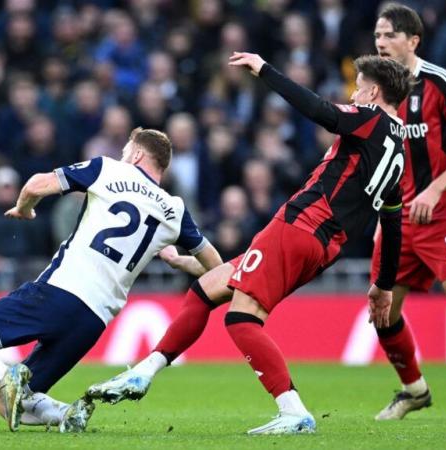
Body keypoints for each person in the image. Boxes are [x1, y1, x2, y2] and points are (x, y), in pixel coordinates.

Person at [86, 52, 413, 435]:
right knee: (205, 289)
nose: (354, 95)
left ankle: (293, 410)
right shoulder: (401, 153)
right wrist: (384, 284)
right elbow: (392, 223)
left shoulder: (370, 119)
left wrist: (264, 70)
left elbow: (322, 111)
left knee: (242, 317)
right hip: (324, 246)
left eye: (358, 88)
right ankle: (143, 373)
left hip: (300, 225)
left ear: (374, 91)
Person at [0, 127, 222, 433]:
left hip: (60, 292)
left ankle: (6, 376)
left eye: (125, 151)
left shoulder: (107, 168)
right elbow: (216, 271)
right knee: (8, 404)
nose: (122, 156)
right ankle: (65, 414)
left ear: (137, 154)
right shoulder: (174, 210)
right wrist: (178, 260)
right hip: (93, 322)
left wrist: (24, 209)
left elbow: (36, 184)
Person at [370, 3, 446, 421]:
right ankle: (414, 390)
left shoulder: (441, 81)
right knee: (382, 307)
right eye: (378, 36)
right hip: (398, 219)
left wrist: (436, 190)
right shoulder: (377, 90)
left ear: (413, 40)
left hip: (444, 213)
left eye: (389, 36)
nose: (381, 43)